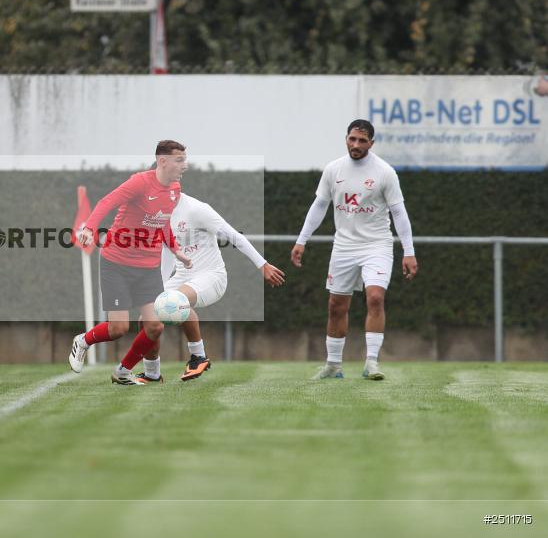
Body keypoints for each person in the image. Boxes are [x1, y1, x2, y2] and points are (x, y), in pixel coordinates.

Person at [290, 119, 418, 381]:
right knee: (336, 306)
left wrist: (409, 251)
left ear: (371, 143)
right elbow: (319, 206)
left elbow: (399, 213)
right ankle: (333, 366)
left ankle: (371, 363)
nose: (356, 145)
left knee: (375, 298)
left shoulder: (384, 172)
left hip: (377, 245)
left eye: (362, 141)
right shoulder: (333, 169)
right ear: (346, 139)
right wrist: (302, 240)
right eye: (352, 139)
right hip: (344, 246)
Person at [68, 141, 192, 385]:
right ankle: (82, 341)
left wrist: (176, 250)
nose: (184, 165)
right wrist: (90, 229)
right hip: (117, 263)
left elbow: (163, 221)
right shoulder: (139, 183)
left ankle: (123, 370)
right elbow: (105, 202)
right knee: (118, 329)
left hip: (148, 268)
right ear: (163, 161)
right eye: (179, 160)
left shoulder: (175, 190)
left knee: (155, 326)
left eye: (185, 160)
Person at [132, 192, 286, 383]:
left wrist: (262, 264)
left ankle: (199, 357)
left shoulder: (197, 209)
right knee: (146, 318)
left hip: (211, 276)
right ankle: (152, 374)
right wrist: (159, 287)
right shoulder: (158, 214)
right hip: (182, 277)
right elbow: (169, 252)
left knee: (176, 301)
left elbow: (234, 236)